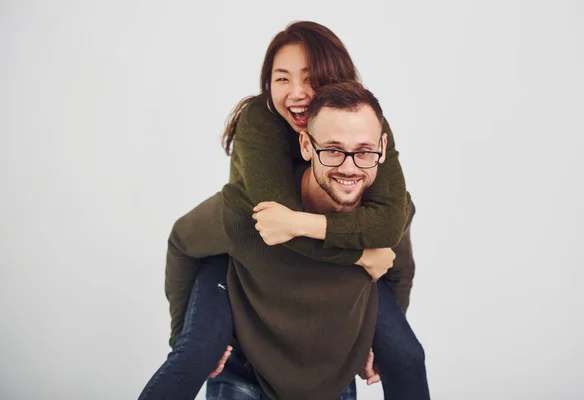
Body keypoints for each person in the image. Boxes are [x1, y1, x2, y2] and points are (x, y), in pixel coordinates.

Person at [138, 21, 428, 400]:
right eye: (282, 79)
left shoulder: (364, 127)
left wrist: (374, 332)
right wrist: (361, 254)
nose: (297, 94)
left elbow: (390, 228)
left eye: (311, 79)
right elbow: (277, 226)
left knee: (406, 355)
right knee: (196, 349)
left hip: (323, 295)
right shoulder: (259, 128)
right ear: (307, 146)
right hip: (253, 246)